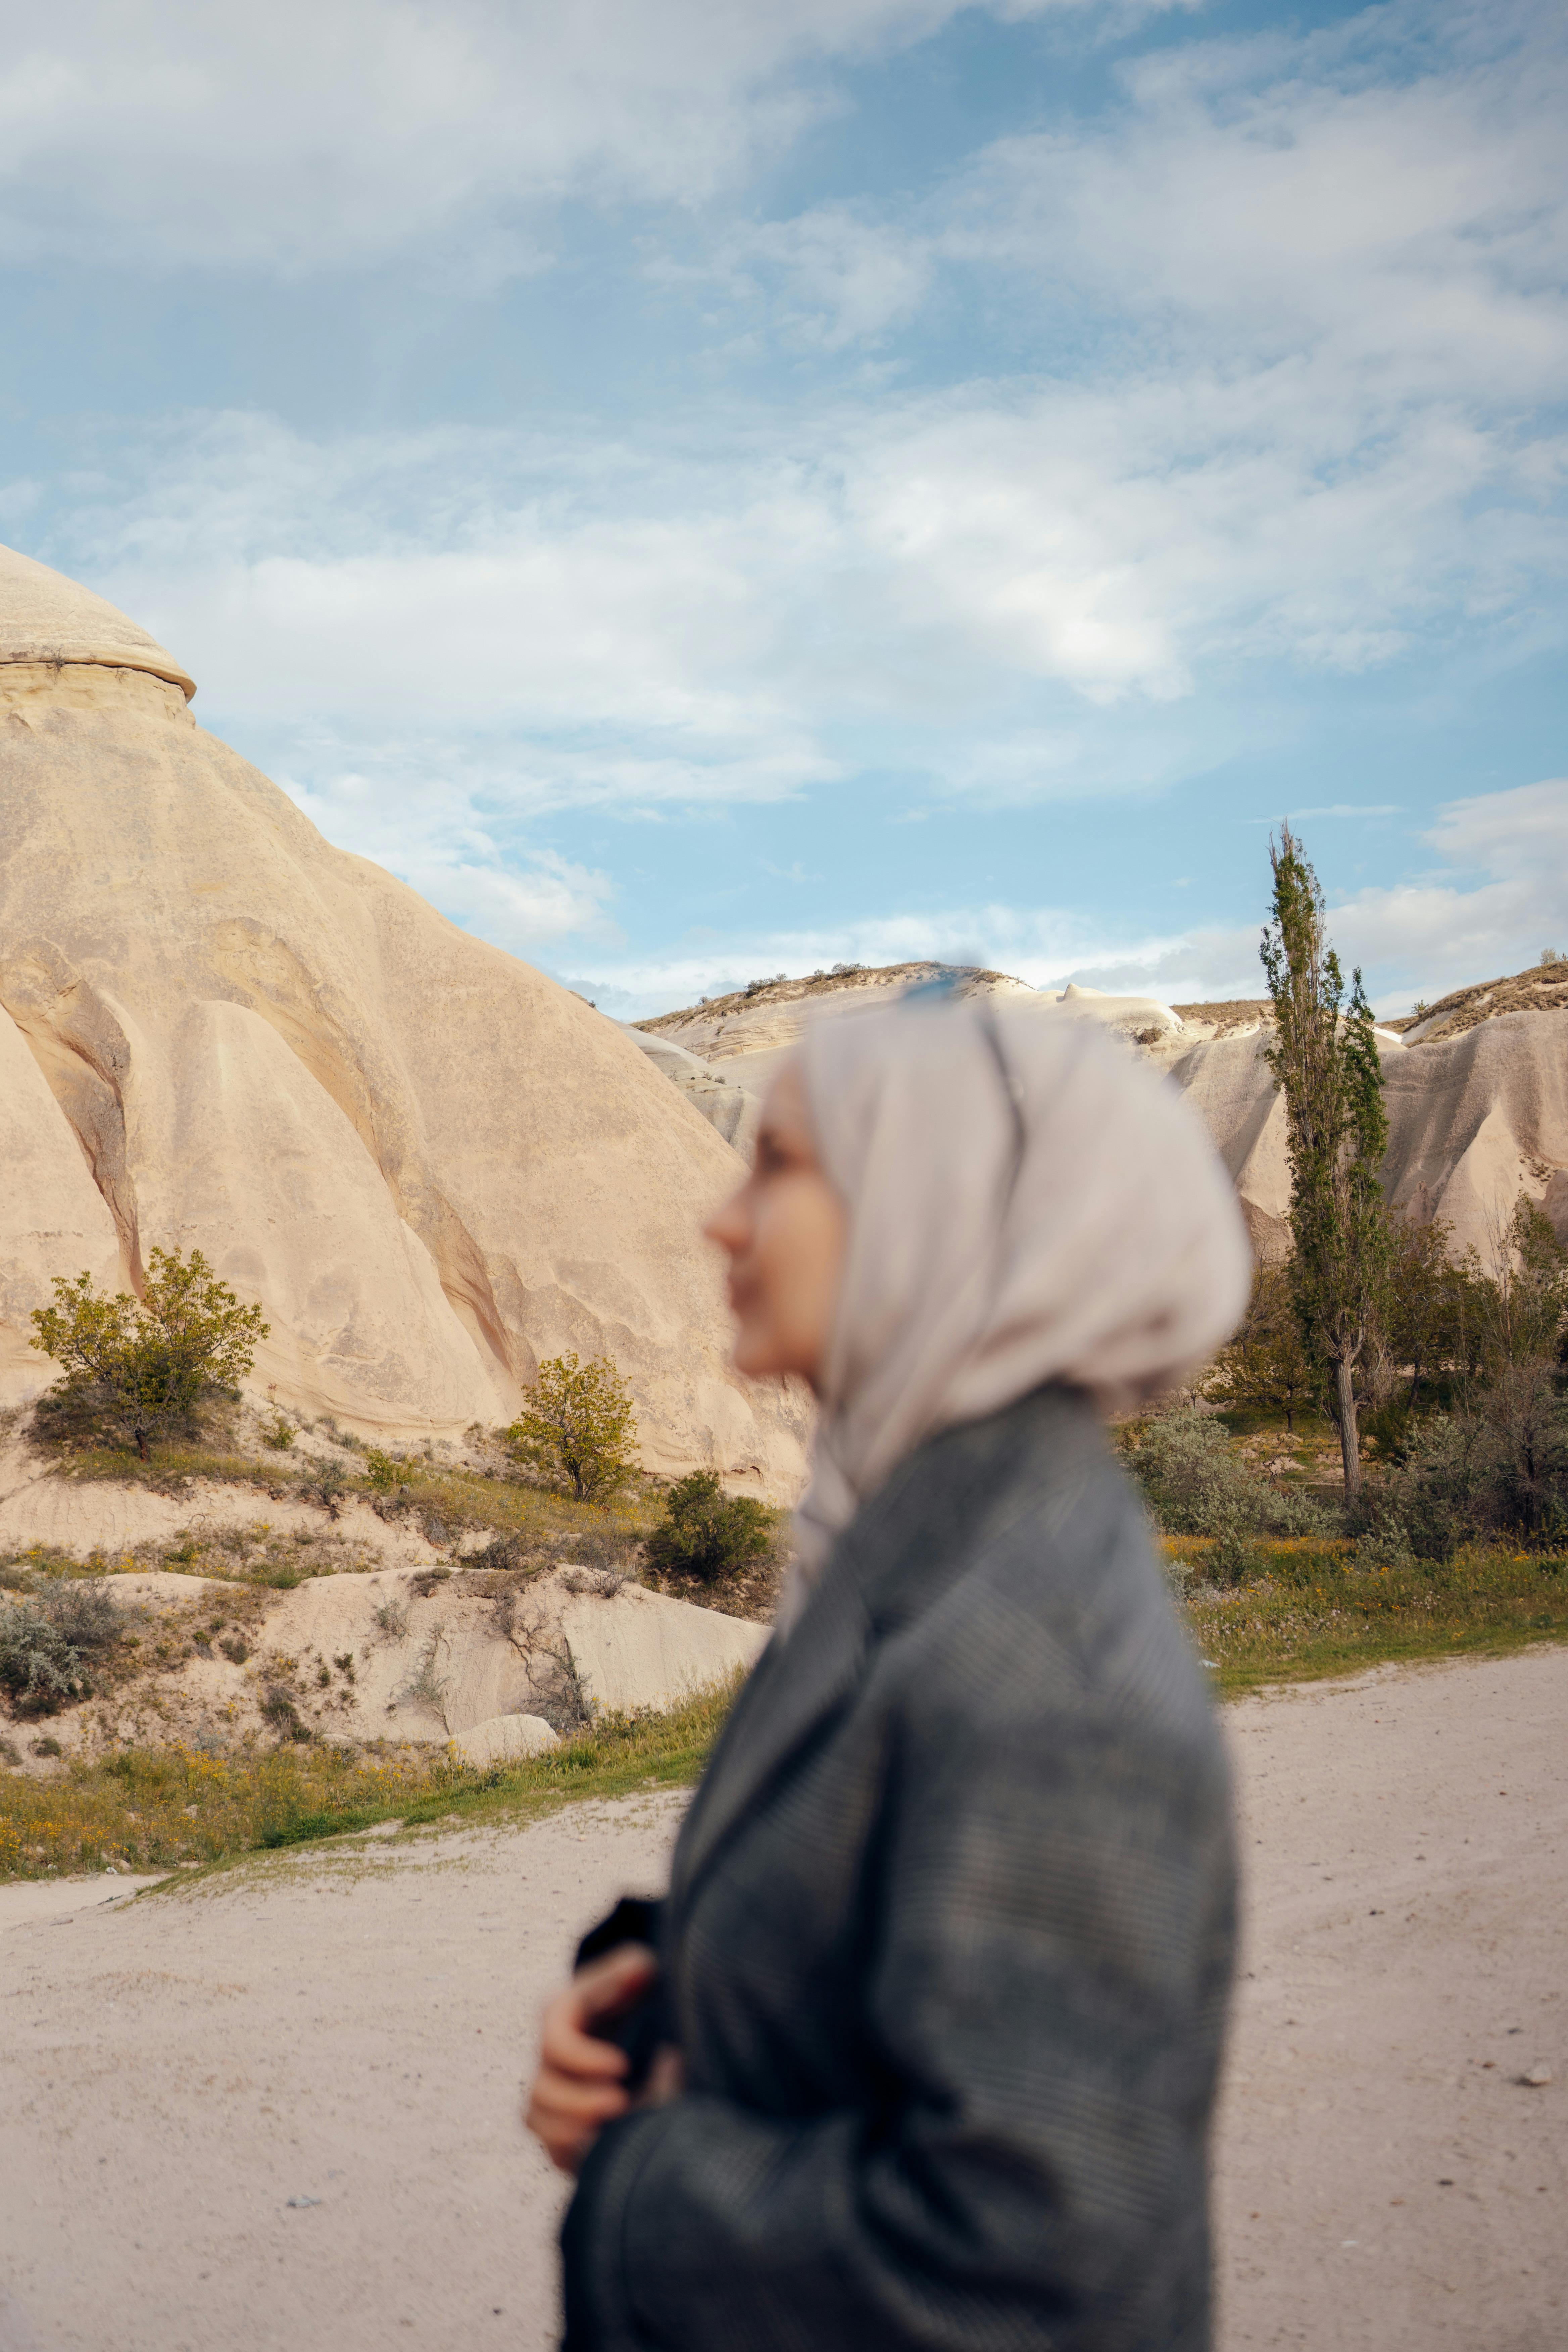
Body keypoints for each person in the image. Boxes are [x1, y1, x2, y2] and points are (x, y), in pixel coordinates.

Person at [525, 992, 1252, 2351]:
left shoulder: (1039, 1654)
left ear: (941, 1205)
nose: (721, 1220)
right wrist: (655, 1985)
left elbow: (1037, 2270)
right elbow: (867, 1890)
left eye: (784, 1165)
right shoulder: (913, 1546)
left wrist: (644, 2184)